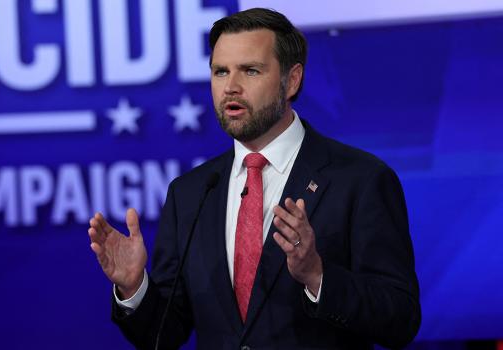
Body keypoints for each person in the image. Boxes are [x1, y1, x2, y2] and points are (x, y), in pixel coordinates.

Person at [88, 8, 420, 349]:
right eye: (220, 71)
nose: (231, 87)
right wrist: (134, 289)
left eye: (250, 71)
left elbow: (401, 320)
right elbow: (165, 334)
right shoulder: (190, 193)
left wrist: (318, 276)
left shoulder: (360, 180)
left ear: (291, 80)